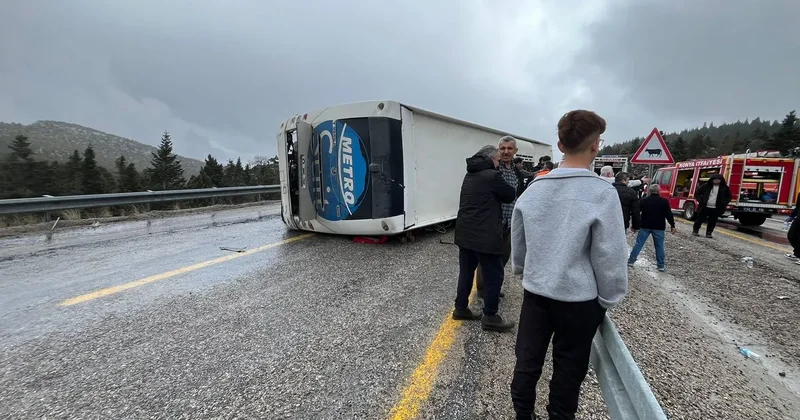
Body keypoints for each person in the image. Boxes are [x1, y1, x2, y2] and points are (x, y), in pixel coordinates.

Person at [510, 110, 629, 419]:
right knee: (568, 370)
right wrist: (610, 296)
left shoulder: (535, 189)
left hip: (537, 293)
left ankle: (523, 415)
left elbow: (519, 238)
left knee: (527, 360)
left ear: (560, 146)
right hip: (579, 300)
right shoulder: (603, 193)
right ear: (595, 147)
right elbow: (610, 255)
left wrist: (523, 270)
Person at [453, 144, 517, 332]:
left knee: (466, 272)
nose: (498, 163)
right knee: (494, 275)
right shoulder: (492, 176)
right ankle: (490, 316)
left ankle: (460, 308)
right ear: (490, 159)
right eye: (497, 160)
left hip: (465, 233)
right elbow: (509, 194)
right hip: (485, 235)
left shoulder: (469, 174)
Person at [474, 136, 527, 300]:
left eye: (509, 149)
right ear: (498, 150)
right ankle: (483, 289)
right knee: (487, 258)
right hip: (493, 222)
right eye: (502, 148)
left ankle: (493, 285)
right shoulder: (493, 168)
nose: (506, 152)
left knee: (502, 257)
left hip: (510, 222)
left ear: (515, 151)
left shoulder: (517, 172)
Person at [627, 184, 676, 272]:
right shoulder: (664, 201)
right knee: (659, 246)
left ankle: (631, 260)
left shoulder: (643, 200)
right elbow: (669, 214)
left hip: (645, 225)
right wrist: (672, 225)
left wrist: (635, 225)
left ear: (649, 191)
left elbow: (637, 213)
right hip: (659, 226)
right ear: (658, 191)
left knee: (639, 244)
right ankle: (661, 265)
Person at [692, 174, 732, 238]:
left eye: (718, 180)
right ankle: (695, 230)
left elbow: (729, 197)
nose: (716, 181)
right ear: (712, 180)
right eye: (715, 179)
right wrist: (701, 201)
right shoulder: (706, 186)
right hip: (705, 206)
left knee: (712, 221)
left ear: (721, 180)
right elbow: (697, 193)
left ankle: (709, 233)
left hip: (716, 208)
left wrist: (723, 203)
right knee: (699, 220)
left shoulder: (725, 188)